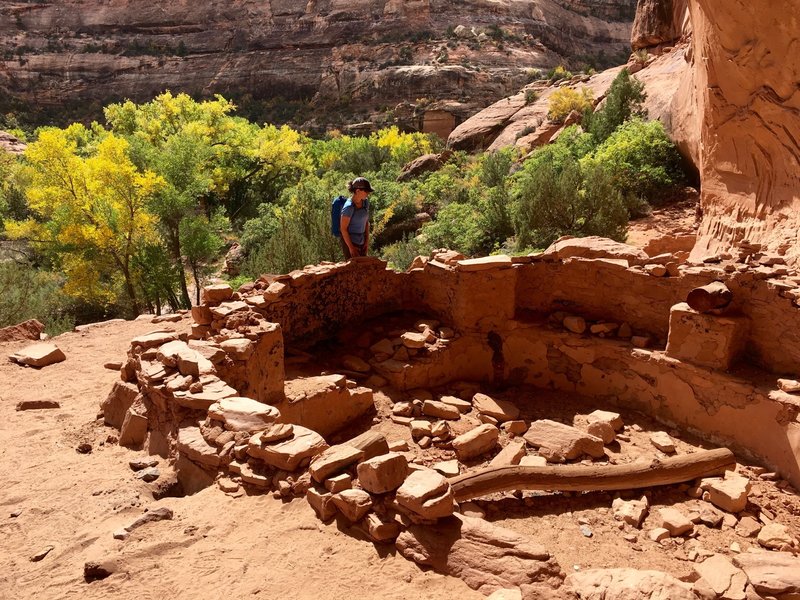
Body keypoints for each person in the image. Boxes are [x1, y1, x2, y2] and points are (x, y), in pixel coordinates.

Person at [339, 177, 373, 259]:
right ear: (358, 191)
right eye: (366, 191)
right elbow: (343, 229)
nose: (368, 193)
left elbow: (366, 223)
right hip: (350, 243)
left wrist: (366, 242)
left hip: (361, 242)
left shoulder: (365, 202)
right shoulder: (348, 207)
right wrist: (351, 248)